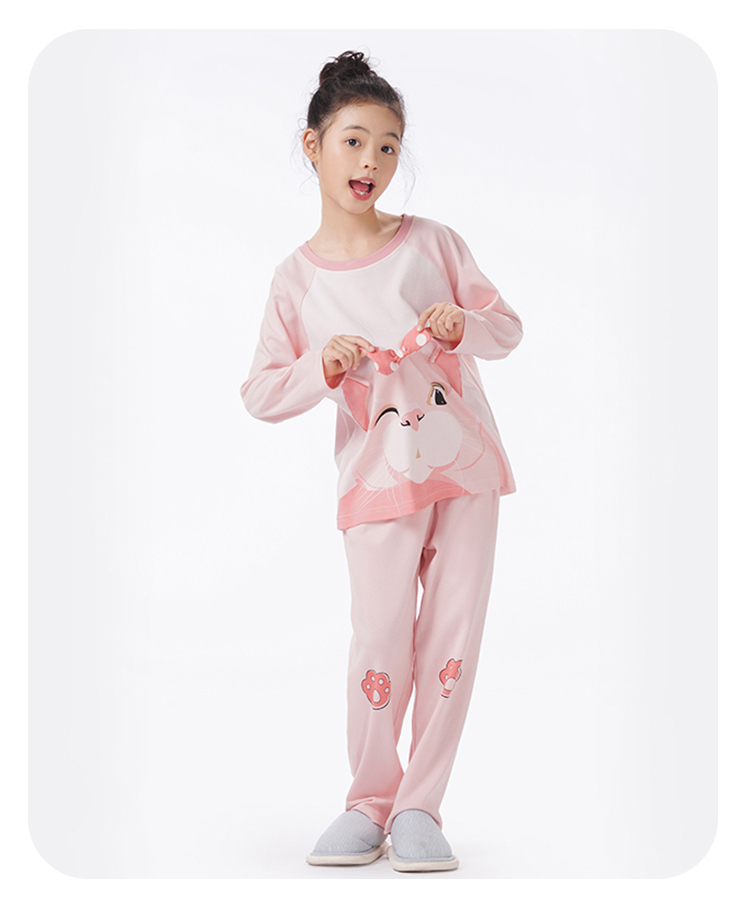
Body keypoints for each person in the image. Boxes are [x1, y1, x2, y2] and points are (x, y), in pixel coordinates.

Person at [239, 49, 523, 873]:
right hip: (375, 488)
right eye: (355, 141)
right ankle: (369, 801)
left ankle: (420, 806)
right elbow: (260, 393)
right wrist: (319, 366)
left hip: (465, 474)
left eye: (389, 146)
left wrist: (466, 325)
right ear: (314, 146)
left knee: (451, 640)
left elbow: (507, 330)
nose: (372, 161)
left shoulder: (434, 243)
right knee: (380, 639)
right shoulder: (296, 281)